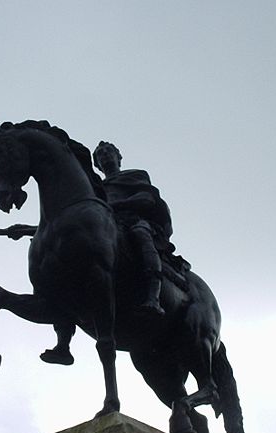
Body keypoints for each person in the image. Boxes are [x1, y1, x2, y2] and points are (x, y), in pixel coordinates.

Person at [38, 140, 177, 365]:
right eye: (100, 155)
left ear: (118, 156)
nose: (105, 156)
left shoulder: (135, 175)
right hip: (101, 228)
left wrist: (113, 207)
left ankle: (153, 296)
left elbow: (147, 199)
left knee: (142, 235)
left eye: (108, 152)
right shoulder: (95, 189)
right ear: (97, 164)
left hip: (130, 222)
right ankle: (63, 343)